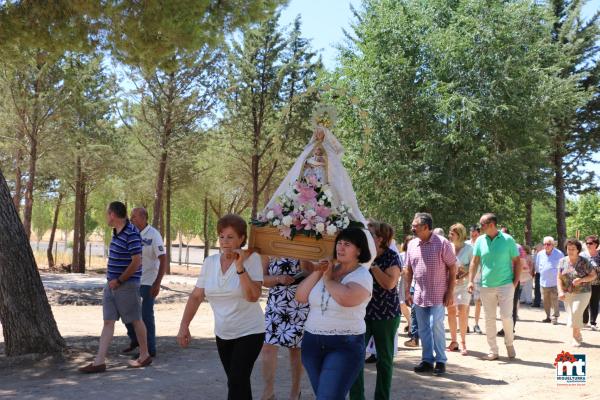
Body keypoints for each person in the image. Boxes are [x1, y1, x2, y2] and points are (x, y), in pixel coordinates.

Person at [177, 214, 264, 400]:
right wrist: (184, 326)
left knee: (237, 380)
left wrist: (240, 267)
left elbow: (253, 296)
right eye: (221, 236)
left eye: (230, 237)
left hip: (250, 332)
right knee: (237, 382)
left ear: (241, 239)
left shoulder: (252, 259)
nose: (225, 241)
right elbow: (196, 296)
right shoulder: (210, 263)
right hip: (223, 333)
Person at [296, 228, 373, 399]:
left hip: (344, 345)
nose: (341, 248)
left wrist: (328, 279)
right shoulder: (326, 270)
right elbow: (300, 296)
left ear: (359, 250)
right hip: (311, 344)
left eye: (347, 244)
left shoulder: (363, 276)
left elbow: (346, 298)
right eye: (339, 243)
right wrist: (318, 271)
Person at [79, 201, 151, 373]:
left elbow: (137, 261)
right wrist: (113, 282)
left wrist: (119, 280)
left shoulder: (132, 233)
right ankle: (99, 361)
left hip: (127, 285)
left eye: (107, 214)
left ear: (112, 214)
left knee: (135, 320)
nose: (106, 217)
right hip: (111, 285)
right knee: (108, 321)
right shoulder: (116, 232)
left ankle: (145, 355)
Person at [351, 222, 401, 400]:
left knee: (384, 360)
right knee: (355, 358)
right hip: (361, 315)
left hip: (386, 315)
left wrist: (373, 265)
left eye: (370, 234)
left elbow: (389, 284)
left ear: (379, 239)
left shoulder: (391, 257)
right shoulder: (360, 256)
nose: (365, 236)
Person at [405, 213, 457, 376]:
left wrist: (450, 292)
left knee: (436, 325)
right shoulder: (412, 244)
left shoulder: (442, 243)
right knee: (423, 329)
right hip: (419, 295)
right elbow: (408, 269)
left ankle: (440, 361)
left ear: (426, 227)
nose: (412, 228)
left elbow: (453, 267)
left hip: (438, 295)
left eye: (416, 226)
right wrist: (407, 290)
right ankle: (427, 360)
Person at [468, 213, 520, 361]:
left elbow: (517, 261)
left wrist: (514, 282)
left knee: (506, 316)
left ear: (491, 224)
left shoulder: (508, 240)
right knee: (489, 319)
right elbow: (474, 261)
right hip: (486, 286)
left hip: (505, 285)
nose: (480, 227)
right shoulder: (480, 240)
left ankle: (509, 343)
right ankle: (493, 350)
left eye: (482, 224)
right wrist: (471, 281)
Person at [261, 258, 311, 400]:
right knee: (267, 348)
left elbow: (314, 274)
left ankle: (295, 392)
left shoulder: (305, 241)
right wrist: (278, 278)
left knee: (296, 350)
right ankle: (268, 392)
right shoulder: (269, 244)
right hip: (276, 305)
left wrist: (303, 265)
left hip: (300, 305)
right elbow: (262, 279)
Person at [121, 207, 167, 358]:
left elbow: (163, 259)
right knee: (125, 310)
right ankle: (135, 340)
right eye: (131, 217)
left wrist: (157, 283)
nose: (131, 219)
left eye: (134, 217)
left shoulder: (154, 235)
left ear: (144, 218)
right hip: (132, 280)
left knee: (146, 315)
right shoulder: (131, 233)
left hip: (148, 281)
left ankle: (150, 349)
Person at [558, 238, 598, 346]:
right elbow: (559, 278)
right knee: (572, 315)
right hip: (568, 293)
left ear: (578, 250)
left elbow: (593, 275)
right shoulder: (562, 261)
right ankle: (578, 332)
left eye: (573, 249)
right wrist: (560, 291)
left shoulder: (584, 261)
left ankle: (575, 337)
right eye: (568, 248)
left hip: (583, 292)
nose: (570, 251)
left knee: (576, 311)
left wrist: (581, 280)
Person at [446, 223, 472, 356]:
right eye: (450, 233)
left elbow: (474, 267)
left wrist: (465, 278)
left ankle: (463, 342)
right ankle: (453, 341)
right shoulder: (447, 247)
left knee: (462, 310)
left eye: (452, 233)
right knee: (450, 311)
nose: (450, 235)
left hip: (464, 285)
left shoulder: (469, 249)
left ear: (460, 234)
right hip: (450, 285)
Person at [535, 236, 563, 324]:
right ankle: (548, 316)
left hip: (555, 282)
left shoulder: (559, 254)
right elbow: (537, 266)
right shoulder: (540, 254)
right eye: (545, 244)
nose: (546, 246)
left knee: (554, 299)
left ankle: (555, 317)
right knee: (545, 301)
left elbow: (563, 267)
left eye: (548, 244)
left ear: (553, 245)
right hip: (543, 281)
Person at [467, 225, 483, 334]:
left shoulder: (482, 244)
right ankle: (465, 324)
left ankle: (476, 324)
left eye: (475, 234)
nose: (473, 236)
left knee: (478, 301)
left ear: (479, 234)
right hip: (467, 278)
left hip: (479, 277)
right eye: (471, 233)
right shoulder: (466, 245)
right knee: (466, 302)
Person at [582, 235, 600, 330]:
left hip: (597, 283)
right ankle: (584, 321)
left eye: (590, 243)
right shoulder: (583, 255)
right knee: (584, 302)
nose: (588, 245)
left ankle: (593, 322)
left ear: (596, 244)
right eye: (587, 243)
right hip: (584, 283)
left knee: (594, 303)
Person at [532, 243, 543, 307]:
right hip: (538, 273)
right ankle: (537, 302)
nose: (536, 248)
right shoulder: (535, 255)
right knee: (537, 288)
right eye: (536, 248)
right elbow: (534, 265)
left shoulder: (544, 254)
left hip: (544, 273)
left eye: (538, 247)